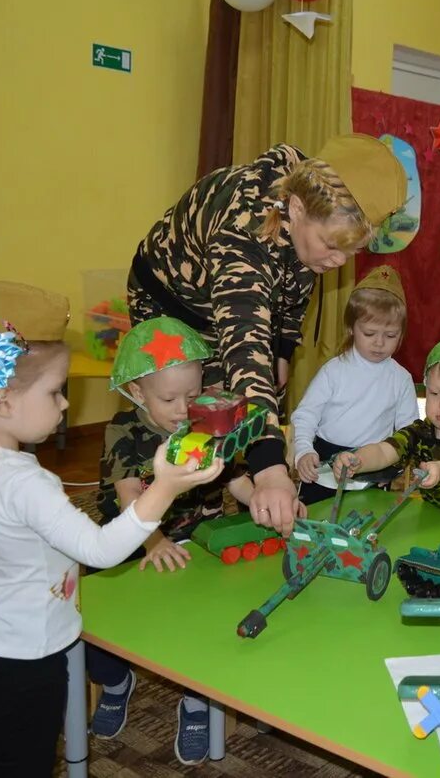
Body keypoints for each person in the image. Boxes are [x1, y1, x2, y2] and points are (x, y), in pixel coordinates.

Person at [0, 313, 222, 777]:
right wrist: (163, 488)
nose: (64, 405)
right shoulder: (27, 481)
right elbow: (99, 551)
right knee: (28, 764)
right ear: (4, 403)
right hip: (25, 663)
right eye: (55, 392)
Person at [128, 136, 407, 538]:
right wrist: (272, 470)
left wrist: (282, 348)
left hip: (234, 306)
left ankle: (213, 501)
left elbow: (295, 285)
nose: (338, 262)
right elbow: (245, 352)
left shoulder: (309, 206)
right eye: (331, 246)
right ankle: (171, 524)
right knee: (185, 414)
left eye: (350, 252)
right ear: (295, 208)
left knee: (237, 407)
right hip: (168, 307)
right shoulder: (243, 236)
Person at [88, 317, 260, 764]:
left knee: (207, 622)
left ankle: (197, 699)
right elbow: (129, 500)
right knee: (92, 622)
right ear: (137, 393)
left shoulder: (208, 421)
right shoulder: (124, 432)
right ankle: (114, 681)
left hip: (196, 542)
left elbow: (236, 479)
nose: (185, 409)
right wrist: (154, 543)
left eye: (192, 394)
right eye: (169, 399)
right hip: (128, 547)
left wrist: (260, 498)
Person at [332, 338, 440, 520]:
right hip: (435, 519)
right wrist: (359, 460)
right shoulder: (419, 432)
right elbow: (384, 451)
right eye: (434, 393)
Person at [291, 265, 417, 506]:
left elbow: (407, 433)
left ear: (401, 335)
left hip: (373, 465)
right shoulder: (334, 371)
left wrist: (392, 467)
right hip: (324, 464)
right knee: (316, 524)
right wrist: (305, 451)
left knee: (367, 526)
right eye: (369, 333)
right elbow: (305, 415)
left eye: (390, 335)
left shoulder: (401, 379)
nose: (380, 343)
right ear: (351, 328)